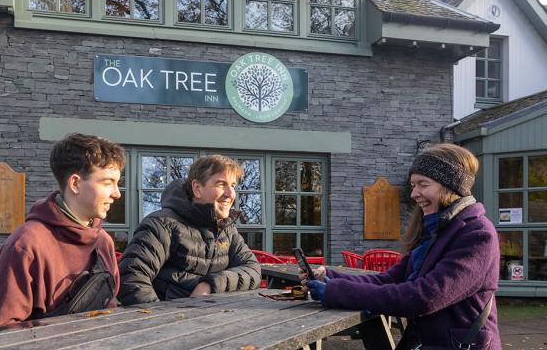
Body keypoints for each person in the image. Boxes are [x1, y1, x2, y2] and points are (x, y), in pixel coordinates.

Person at [303, 143, 500, 349]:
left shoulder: (477, 234)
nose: (414, 194)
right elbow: (388, 280)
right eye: (414, 185)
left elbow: (424, 297)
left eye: (423, 185)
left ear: (450, 186)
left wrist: (336, 292)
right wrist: (329, 277)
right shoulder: (436, 230)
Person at [0, 133, 125, 327]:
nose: (117, 194)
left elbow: (109, 311)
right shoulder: (26, 245)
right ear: (76, 183)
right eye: (107, 183)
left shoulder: (103, 242)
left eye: (117, 183)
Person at [118, 155, 261, 305]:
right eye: (221, 184)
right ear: (197, 189)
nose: (230, 194)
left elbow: (253, 270)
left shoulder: (227, 229)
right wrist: (161, 319)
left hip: (215, 320)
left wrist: (210, 284)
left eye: (233, 185)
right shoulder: (162, 225)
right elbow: (131, 278)